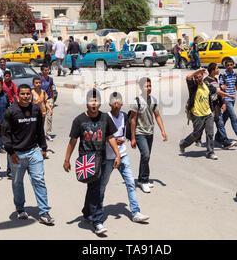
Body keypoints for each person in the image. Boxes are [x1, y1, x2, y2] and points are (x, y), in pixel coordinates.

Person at [63, 88, 121, 235]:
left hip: (100, 159)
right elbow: (73, 141)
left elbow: (110, 137)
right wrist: (67, 160)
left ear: (100, 103)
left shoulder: (105, 118)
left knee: (94, 188)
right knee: (94, 188)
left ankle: (89, 213)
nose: (93, 103)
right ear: (87, 103)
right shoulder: (79, 120)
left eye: (96, 101)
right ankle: (97, 221)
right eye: (91, 100)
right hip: (86, 160)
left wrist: (118, 154)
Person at [2, 84, 54, 225]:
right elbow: (5, 135)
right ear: (17, 95)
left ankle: (44, 212)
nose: (26, 96)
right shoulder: (11, 112)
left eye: (27, 94)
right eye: (23, 94)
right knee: (17, 183)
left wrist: (43, 147)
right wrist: (11, 152)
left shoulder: (36, 109)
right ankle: (20, 209)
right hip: (17, 154)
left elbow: (40, 131)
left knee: (39, 180)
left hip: (33, 151)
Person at [100, 92, 149, 223]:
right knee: (102, 185)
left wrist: (132, 139)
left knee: (130, 183)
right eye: (114, 102)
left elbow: (129, 130)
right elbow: (101, 137)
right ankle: (97, 211)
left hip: (122, 155)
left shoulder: (124, 116)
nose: (117, 105)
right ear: (110, 104)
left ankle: (136, 212)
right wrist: (113, 140)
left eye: (119, 102)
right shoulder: (105, 118)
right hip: (109, 157)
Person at [130, 77, 168, 193]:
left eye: (150, 86)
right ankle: (144, 181)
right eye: (146, 86)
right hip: (139, 133)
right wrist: (132, 138)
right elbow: (133, 120)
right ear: (141, 87)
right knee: (145, 155)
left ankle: (141, 179)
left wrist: (163, 131)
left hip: (150, 133)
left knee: (146, 157)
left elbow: (157, 116)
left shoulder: (153, 100)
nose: (148, 88)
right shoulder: (136, 101)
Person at [204, 63, 236, 149]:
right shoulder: (206, 81)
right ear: (213, 70)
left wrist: (223, 103)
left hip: (216, 105)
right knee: (208, 126)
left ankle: (225, 142)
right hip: (210, 107)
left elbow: (218, 93)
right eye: (217, 68)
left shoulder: (215, 79)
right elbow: (214, 92)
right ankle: (198, 140)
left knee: (220, 123)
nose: (218, 70)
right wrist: (224, 92)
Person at [219, 59, 237, 139]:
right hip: (227, 100)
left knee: (224, 118)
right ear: (225, 66)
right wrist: (223, 102)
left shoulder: (235, 74)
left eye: (231, 65)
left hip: (232, 99)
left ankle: (218, 137)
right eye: (227, 65)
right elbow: (221, 89)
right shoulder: (223, 75)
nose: (229, 67)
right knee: (233, 117)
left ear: (233, 65)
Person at [40, 65, 54, 141]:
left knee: (49, 117)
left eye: (47, 70)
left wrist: (53, 100)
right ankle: (40, 134)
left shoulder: (50, 79)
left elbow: (51, 89)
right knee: (42, 118)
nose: (46, 72)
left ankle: (48, 133)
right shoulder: (39, 79)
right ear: (42, 71)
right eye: (45, 70)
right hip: (42, 100)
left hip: (49, 99)